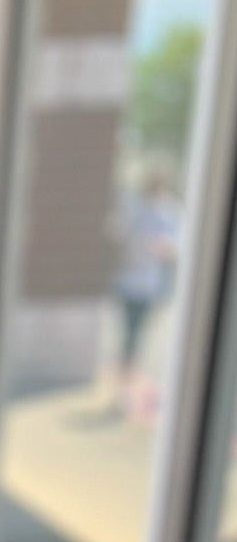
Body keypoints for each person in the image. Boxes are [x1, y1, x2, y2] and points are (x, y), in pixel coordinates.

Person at [107, 160, 181, 423]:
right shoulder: (136, 209)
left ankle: (128, 390)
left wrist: (158, 246)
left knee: (137, 338)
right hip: (131, 282)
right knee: (131, 337)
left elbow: (173, 247)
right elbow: (118, 235)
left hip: (147, 285)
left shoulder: (167, 211)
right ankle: (124, 392)